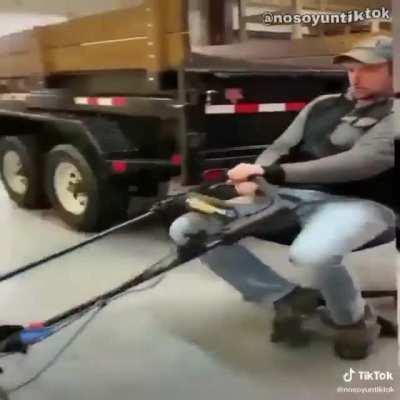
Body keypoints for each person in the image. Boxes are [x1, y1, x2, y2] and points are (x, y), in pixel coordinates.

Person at [169, 35, 398, 360]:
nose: (355, 77)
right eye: (350, 69)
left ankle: (355, 320)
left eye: (369, 69)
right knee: (189, 230)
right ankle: (285, 297)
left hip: (359, 202)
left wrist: (273, 173)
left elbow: (360, 162)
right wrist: (257, 177)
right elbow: (281, 146)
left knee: (313, 254)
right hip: (289, 195)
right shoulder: (322, 105)